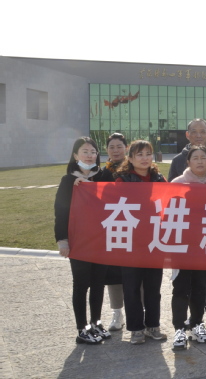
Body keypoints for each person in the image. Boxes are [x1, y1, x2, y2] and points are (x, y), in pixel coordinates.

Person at [168, 118, 206, 328]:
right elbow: (168, 197)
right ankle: (186, 320)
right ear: (187, 135)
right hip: (186, 231)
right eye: (194, 131)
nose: (198, 135)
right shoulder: (178, 161)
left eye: (202, 131)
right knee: (185, 279)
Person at [54, 137, 109, 345]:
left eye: (93, 152)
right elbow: (60, 212)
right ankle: (82, 328)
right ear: (76, 155)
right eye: (85, 151)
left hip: (101, 240)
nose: (89, 155)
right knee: (81, 284)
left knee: (98, 283)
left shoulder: (104, 176)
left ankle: (96, 323)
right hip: (78, 241)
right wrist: (62, 240)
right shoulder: (68, 181)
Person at [115, 140, 166, 345]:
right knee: (132, 287)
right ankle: (136, 329)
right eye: (139, 154)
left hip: (154, 240)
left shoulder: (159, 178)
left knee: (154, 287)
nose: (145, 158)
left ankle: (153, 326)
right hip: (131, 241)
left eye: (148, 154)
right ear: (130, 158)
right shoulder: (122, 180)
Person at [169, 145, 206, 351]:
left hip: (204, 244)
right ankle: (179, 329)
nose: (199, 161)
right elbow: (168, 213)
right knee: (181, 287)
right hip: (182, 244)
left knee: (200, 286)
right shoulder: (177, 184)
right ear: (188, 162)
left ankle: (197, 323)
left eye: (203, 157)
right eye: (195, 158)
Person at [97, 133, 128, 332]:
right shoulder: (103, 173)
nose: (115, 151)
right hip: (111, 229)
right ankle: (117, 313)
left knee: (138, 270)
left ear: (126, 148)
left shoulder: (135, 169)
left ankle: (142, 311)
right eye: (111, 147)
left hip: (134, 227)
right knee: (113, 272)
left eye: (119, 146)